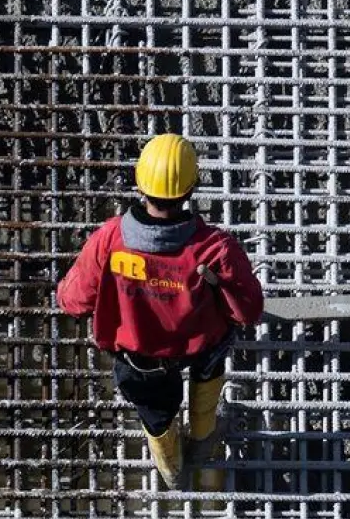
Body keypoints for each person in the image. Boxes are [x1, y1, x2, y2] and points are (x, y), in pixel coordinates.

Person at [56, 133, 264, 489]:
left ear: (140, 186)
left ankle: (172, 472)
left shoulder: (109, 240)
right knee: (209, 372)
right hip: (201, 346)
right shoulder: (216, 248)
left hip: (140, 360)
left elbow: (73, 301)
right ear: (191, 189)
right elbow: (247, 312)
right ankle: (202, 440)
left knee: (157, 418)